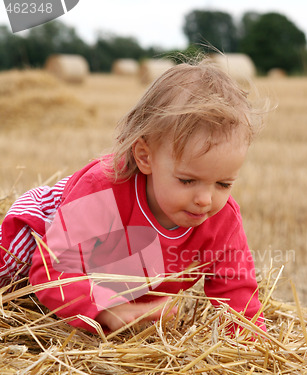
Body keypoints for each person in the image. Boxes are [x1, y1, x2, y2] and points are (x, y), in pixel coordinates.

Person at [0, 58, 266, 337]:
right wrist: (106, 311)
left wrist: (257, 349)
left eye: (223, 184)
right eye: (187, 180)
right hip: (39, 234)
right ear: (145, 157)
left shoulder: (222, 220)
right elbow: (48, 273)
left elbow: (239, 298)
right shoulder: (103, 190)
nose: (205, 199)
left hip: (108, 269)